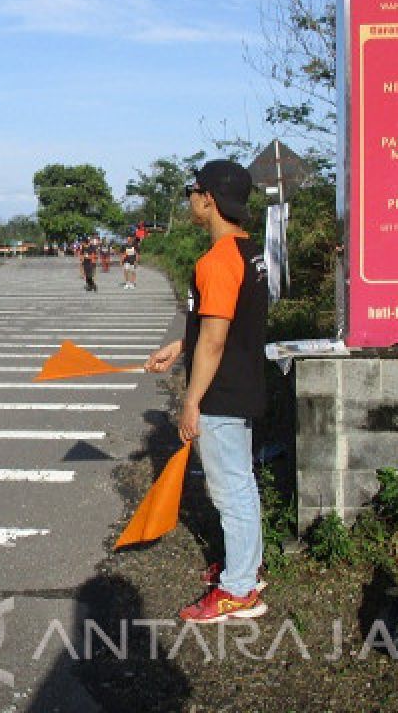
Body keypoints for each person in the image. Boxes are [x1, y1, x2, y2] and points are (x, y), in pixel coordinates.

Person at [143, 160, 269, 623]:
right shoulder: (248, 253)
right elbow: (220, 326)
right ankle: (246, 569)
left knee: (229, 491)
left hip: (221, 393)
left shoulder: (216, 262)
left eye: (193, 192)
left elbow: (216, 340)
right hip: (244, 384)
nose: (191, 201)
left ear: (209, 198)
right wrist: (182, 345)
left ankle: (238, 590)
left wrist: (191, 402)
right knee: (242, 484)